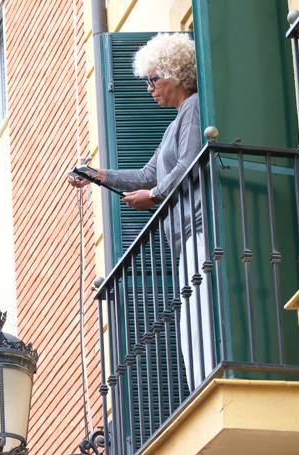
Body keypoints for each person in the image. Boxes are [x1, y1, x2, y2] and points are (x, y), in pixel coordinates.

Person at [67, 32, 210, 386]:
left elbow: (189, 163)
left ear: (175, 74)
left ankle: (205, 384)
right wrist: (98, 174)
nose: (149, 89)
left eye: (153, 80)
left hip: (197, 227)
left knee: (198, 314)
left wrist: (155, 196)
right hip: (183, 236)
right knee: (190, 315)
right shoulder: (174, 124)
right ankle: (200, 385)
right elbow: (147, 174)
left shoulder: (192, 107)